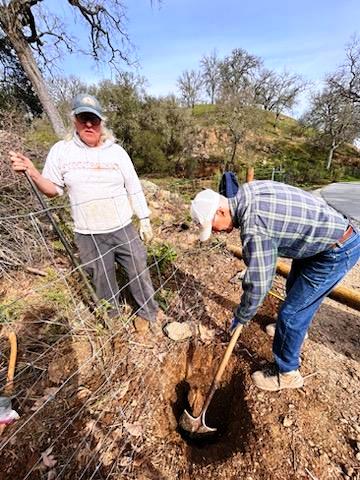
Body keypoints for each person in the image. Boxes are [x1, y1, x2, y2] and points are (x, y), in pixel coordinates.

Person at [10, 93, 160, 334]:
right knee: (101, 277)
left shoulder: (117, 153)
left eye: (93, 119)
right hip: (87, 232)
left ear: (101, 122)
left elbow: (133, 186)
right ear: (75, 121)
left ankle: (148, 314)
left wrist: (143, 219)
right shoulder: (62, 151)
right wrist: (33, 172)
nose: (89, 124)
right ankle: (112, 320)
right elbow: (53, 190)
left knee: (138, 268)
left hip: (122, 227)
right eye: (83, 118)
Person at [190, 181, 360, 391]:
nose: (215, 232)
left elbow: (260, 283)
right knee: (294, 290)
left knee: (292, 312)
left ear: (221, 211)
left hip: (335, 249)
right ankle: (292, 332)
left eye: (211, 226)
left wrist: (242, 315)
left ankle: (287, 373)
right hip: (320, 240)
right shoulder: (248, 191)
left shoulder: (253, 227)